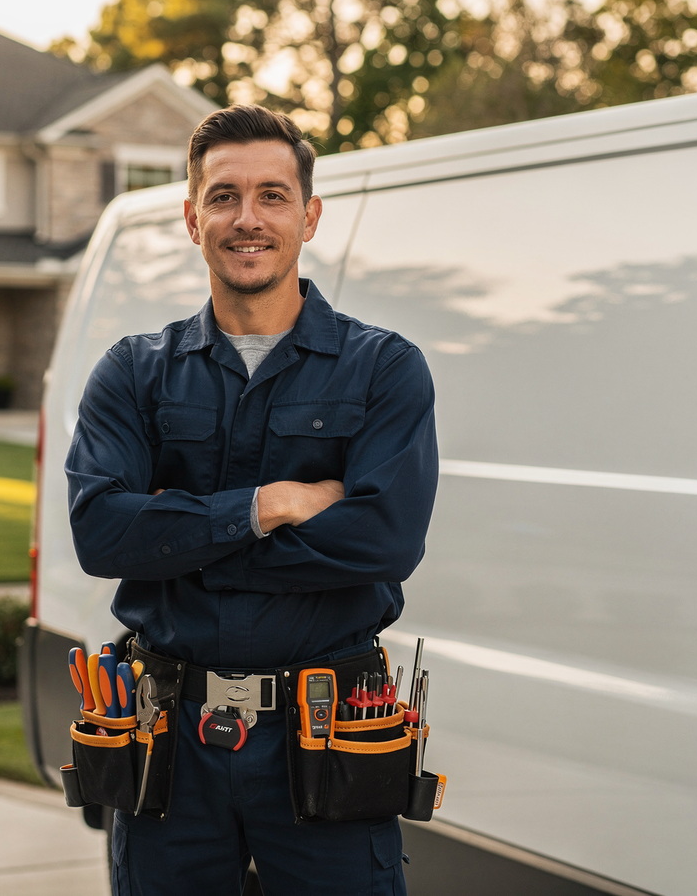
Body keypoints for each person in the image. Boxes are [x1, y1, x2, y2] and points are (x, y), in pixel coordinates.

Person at [66, 103, 439, 895]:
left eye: (273, 195)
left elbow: (384, 539)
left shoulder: (384, 369)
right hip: (167, 738)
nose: (248, 218)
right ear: (192, 219)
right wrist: (266, 507)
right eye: (224, 196)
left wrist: (174, 539)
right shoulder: (134, 372)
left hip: (329, 733)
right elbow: (100, 534)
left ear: (309, 217)